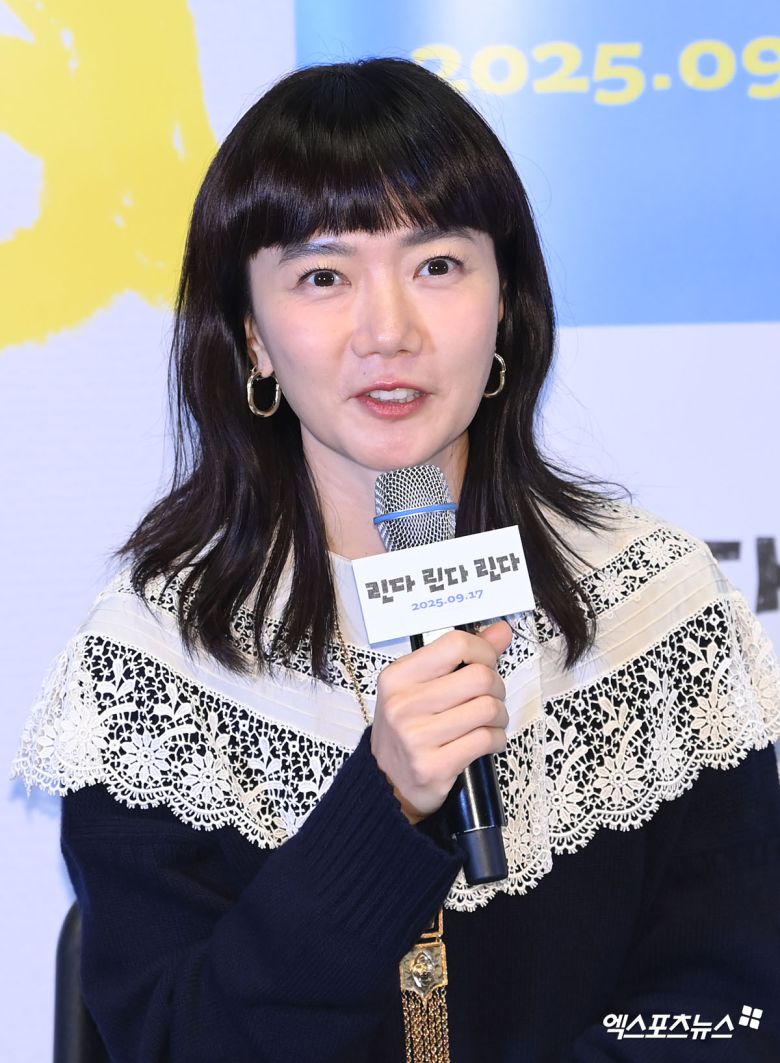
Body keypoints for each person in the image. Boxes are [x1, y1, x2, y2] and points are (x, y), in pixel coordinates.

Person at [14, 58, 780, 1062]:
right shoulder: (158, 659)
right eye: (323, 278)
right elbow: (177, 1040)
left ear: (505, 303)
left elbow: (730, 1006)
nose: (388, 332)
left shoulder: (653, 604)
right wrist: (380, 802)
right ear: (252, 335)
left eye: (438, 266)